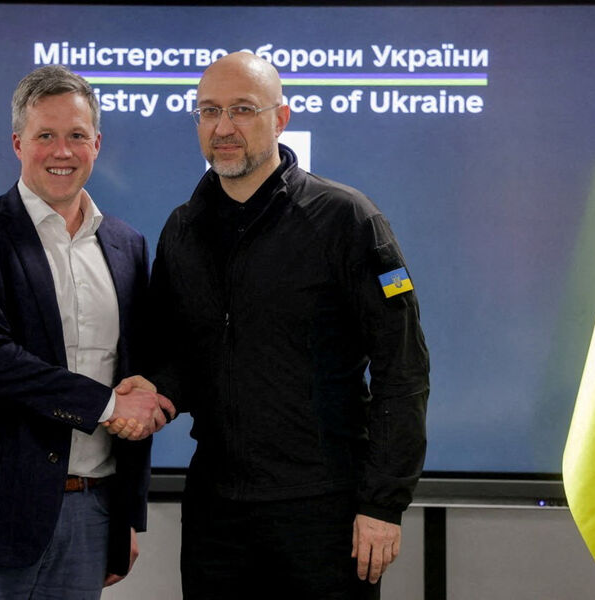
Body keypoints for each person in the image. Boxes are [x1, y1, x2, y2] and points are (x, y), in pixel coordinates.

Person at [136, 51, 430, 598]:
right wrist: (158, 394)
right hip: (216, 514)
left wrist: (382, 504)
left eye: (242, 109)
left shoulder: (347, 219)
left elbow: (403, 367)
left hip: (324, 512)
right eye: (209, 111)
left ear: (281, 119)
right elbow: (176, 354)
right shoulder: (183, 229)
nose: (223, 127)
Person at [0, 65, 174, 599]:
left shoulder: (127, 244)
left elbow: (134, 365)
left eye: (76, 135)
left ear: (97, 144)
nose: (62, 151)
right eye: (45, 135)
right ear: (17, 144)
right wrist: (107, 407)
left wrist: (125, 511)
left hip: (91, 514)